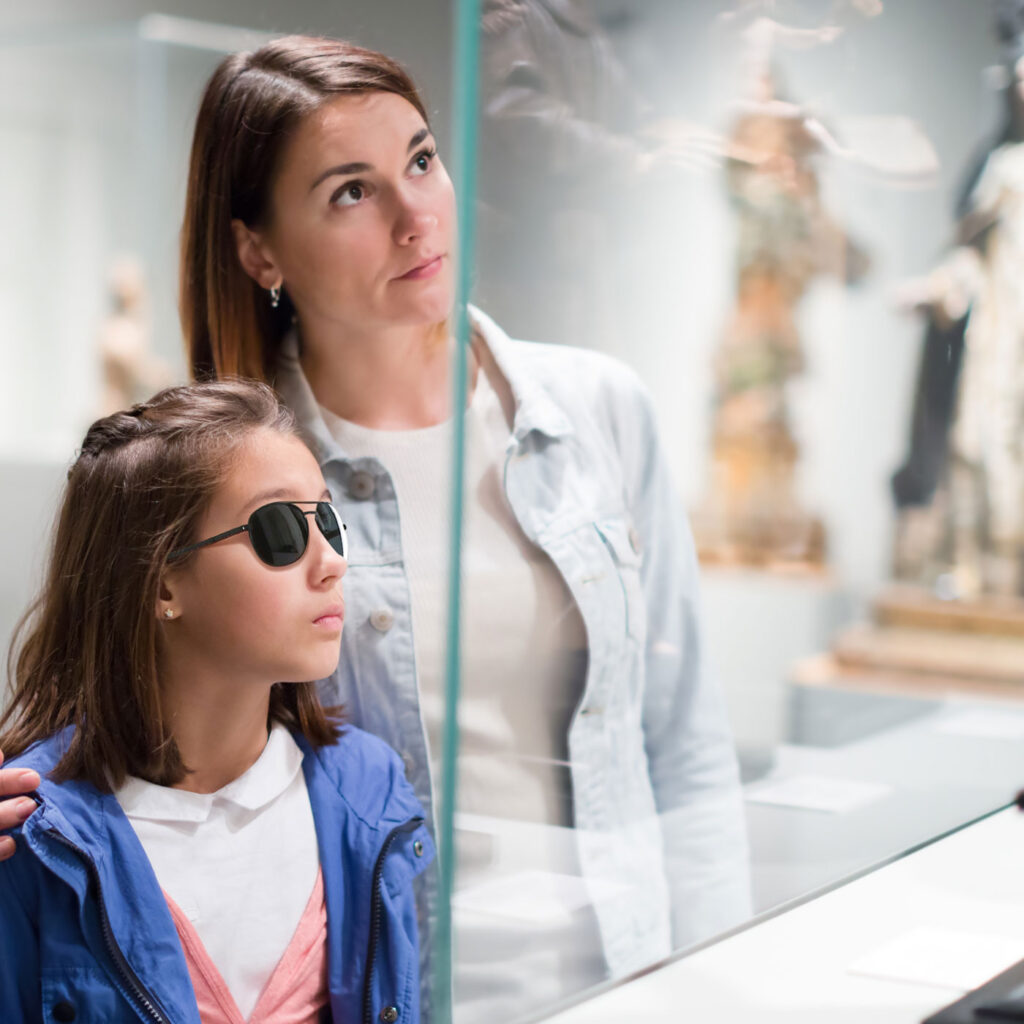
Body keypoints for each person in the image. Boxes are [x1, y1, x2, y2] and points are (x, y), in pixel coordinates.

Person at [1, 33, 750, 1023]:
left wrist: (723, 979)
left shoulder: (595, 411)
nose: (416, 216)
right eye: (351, 191)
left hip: (620, 977)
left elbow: (685, 741)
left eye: (422, 160)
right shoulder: (238, 477)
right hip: (386, 988)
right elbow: (131, 711)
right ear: (258, 249)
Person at [0, 380, 434, 1024]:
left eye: (330, 522)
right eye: (281, 531)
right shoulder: (32, 837)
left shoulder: (368, 793)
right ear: (161, 579)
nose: (332, 563)